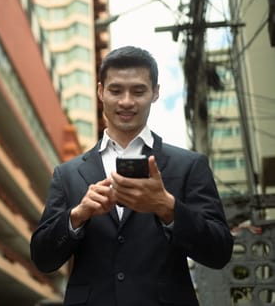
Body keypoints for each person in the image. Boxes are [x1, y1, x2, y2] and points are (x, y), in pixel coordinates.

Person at [30, 46, 233, 305]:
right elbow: (43, 259)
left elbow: (219, 252)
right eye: (116, 90)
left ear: (155, 93)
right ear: (101, 91)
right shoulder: (67, 174)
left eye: (138, 91)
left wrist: (168, 208)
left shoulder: (189, 165)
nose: (126, 101)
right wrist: (78, 215)